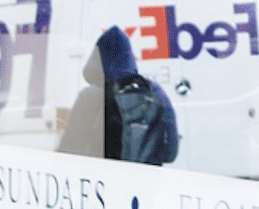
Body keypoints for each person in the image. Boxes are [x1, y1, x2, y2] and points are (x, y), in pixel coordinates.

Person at [57, 26, 179, 165]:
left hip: (103, 181)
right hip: (147, 183)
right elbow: (170, 153)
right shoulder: (155, 92)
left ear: (97, 59)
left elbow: (69, 150)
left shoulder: (89, 97)